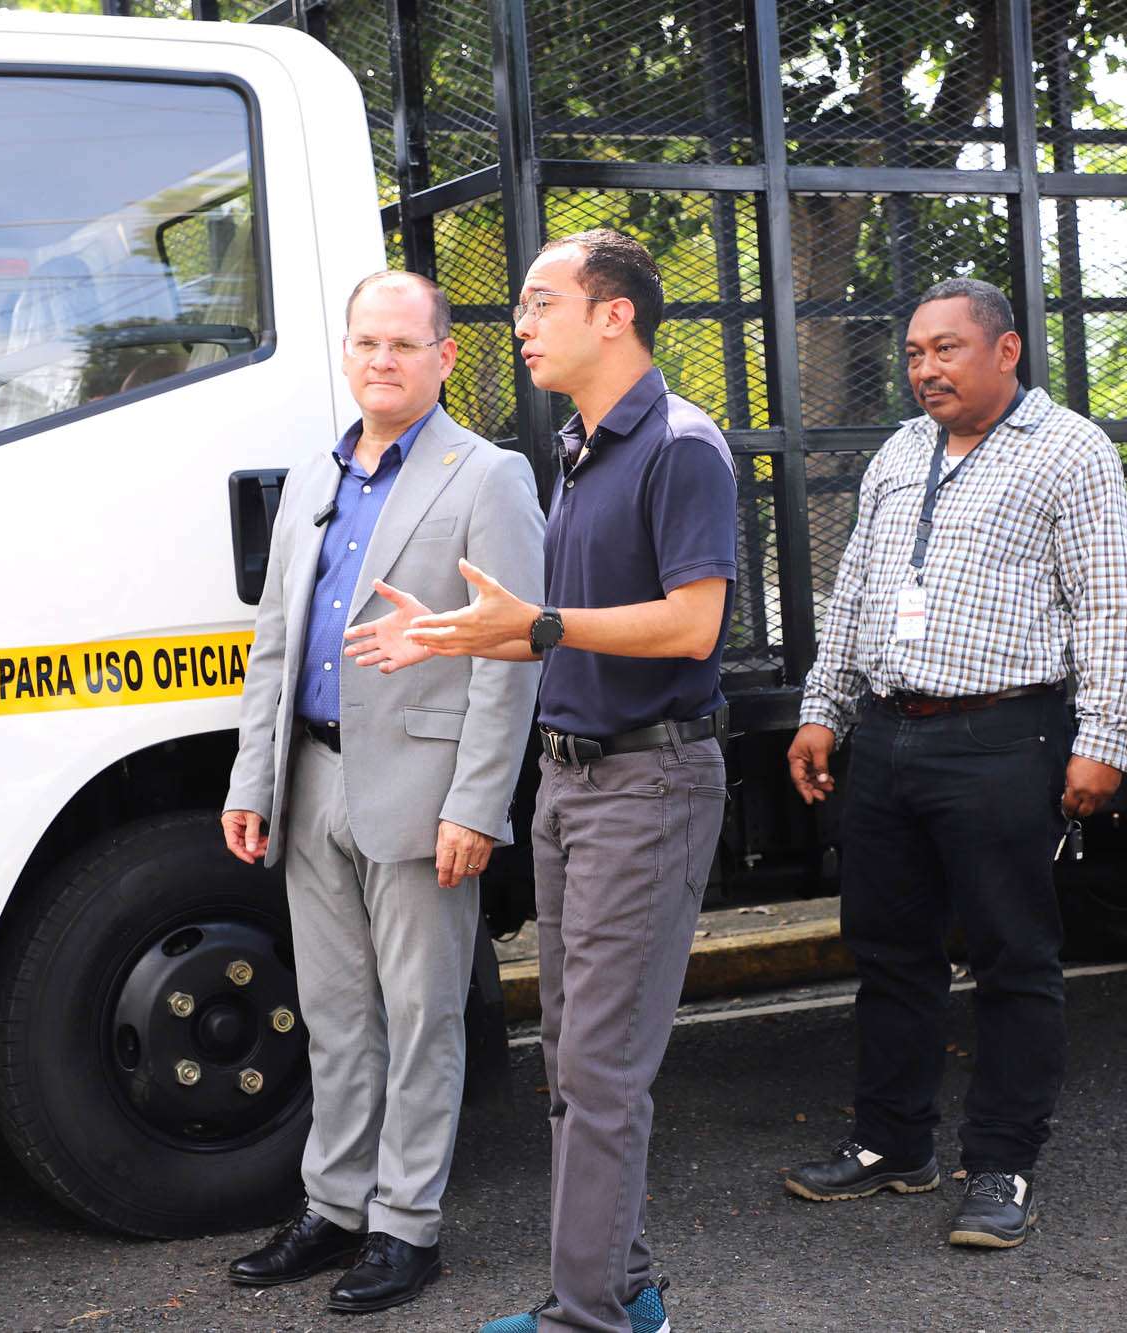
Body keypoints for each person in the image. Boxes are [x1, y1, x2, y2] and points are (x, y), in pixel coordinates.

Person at [343, 228, 735, 1333]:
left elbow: (691, 623)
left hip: (646, 786)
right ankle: (625, 1289)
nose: (518, 324)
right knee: (571, 1058)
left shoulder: (679, 445)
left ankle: (587, 1318)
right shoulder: (580, 447)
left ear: (613, 315)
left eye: (538, 303)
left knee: (601, 1070)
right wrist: (460, 637)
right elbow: (558, 634)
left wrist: (540, 621)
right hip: (569, 784)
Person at [780, 278, 1127, 1249]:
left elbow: (1106, 604)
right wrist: (825, 712)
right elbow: (856, 586)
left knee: (1012, 959)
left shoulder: (1069, 450)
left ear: (1005, 350)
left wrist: (1103, 740)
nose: (925, 369)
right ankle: (891, 1144)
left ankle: (1002, 1166)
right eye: (911, 353)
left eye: (945, 349)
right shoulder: (899, 453)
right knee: (888, 949)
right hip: (891, 736)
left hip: (1003, 736)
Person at [219, 271, 544, 1315]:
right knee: (333, 1013)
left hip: (422, 785)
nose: (381, 361)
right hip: (311, 776)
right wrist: (253, 778)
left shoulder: (484, 476)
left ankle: (407, 1226)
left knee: (420, 1016)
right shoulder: (320, 476)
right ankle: (334, 1207)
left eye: (403, 345)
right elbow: (274, 640)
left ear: (444, 357)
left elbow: (509, 657)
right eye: (366, 343)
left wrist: (475, 804)